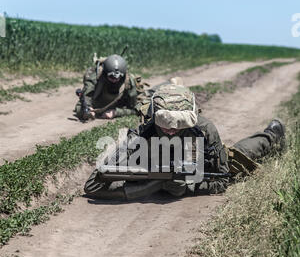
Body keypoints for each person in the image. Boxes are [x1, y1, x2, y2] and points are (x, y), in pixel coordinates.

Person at [84, 81, 285, 200]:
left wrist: (189, 187)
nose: (171, 131)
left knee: (241, 154)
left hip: (203, 165)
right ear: (153, 117)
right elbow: (93, 186)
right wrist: (155, 185)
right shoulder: (141, 135)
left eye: (179, 126)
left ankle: (273, 134)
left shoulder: (204, 130)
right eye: (165, 125)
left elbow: (221, 182)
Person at [75, 54, 144, 120]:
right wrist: (88, 110)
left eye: (117, 78)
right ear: (105, 73)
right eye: (111, 77)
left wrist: (116, 112)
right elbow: (83, 102)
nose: (114, 80)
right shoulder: (95, 78)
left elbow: (135, 109)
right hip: (96, 104)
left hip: (119, 105)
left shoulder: (128, 82)